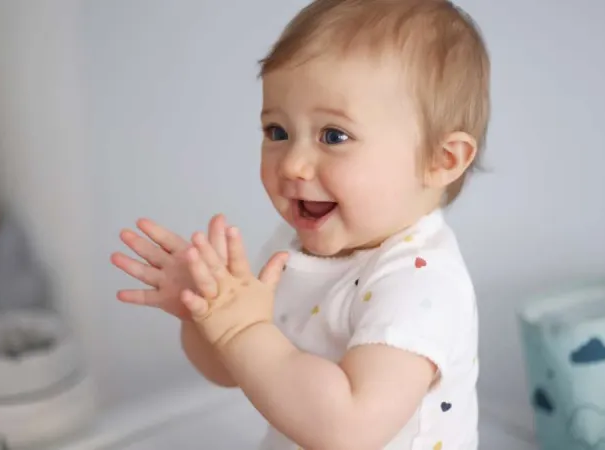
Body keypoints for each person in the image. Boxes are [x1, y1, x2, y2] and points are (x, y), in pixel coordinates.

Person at [112, 0, 490, 448]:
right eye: (277, 132)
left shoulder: (422, 282)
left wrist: (240, 329)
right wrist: (205, 315)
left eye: (334, 136)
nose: (292, 163)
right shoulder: (295, 245)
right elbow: (233, 370)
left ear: (441, 160)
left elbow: (348, 428)